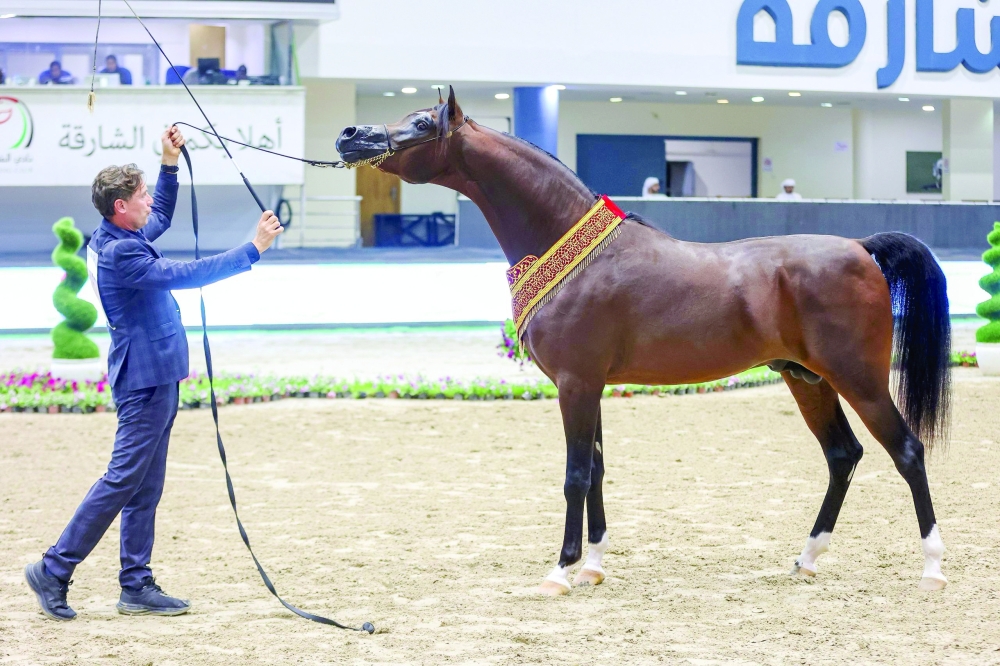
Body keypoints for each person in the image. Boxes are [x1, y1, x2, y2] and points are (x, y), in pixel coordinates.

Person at [24, 126, 283, 622]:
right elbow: (182, 275)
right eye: (140, 195)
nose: (148, 202)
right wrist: (253, 250)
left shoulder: (121, 233)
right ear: (121, 207)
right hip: (144, 379)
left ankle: (135, 583)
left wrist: (168, 164)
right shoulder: (123, 252)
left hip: (155, 373)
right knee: (123, 480)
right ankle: (54, 569)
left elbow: (161, 213)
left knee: (145, 485)